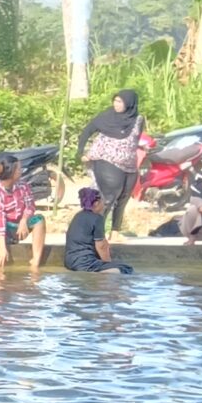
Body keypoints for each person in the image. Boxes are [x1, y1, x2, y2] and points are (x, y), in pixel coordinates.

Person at [80, 89, 145, 236]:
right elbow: (87, 131)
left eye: (120, 102)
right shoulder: (107, 117)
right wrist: (80, 151)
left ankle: (115, 231)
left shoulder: (138, 119)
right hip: (106, 159)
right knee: (109, 196)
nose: (116, 104)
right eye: (115, 101)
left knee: (123, 197)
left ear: (129, 103)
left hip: (129, 163)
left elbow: (135, 139)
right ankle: (97, 233)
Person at [0, 158, 46, 271]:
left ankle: (35, 262)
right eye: (18, 169)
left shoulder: (23, 186)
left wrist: (24, 220)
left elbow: (30, 206)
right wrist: (2, 248)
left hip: (14, 228)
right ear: (11, 172)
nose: (21, 171)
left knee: (39, 220)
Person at [64, 186, 132, 274]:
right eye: (102, 201)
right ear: (96, 203)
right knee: (125, 269)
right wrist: (108, 264)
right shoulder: (97, 218)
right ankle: (98, 274)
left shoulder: (78, 215)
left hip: (69, 262)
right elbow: (101, 246)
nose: (104, 204)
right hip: (84, 262)